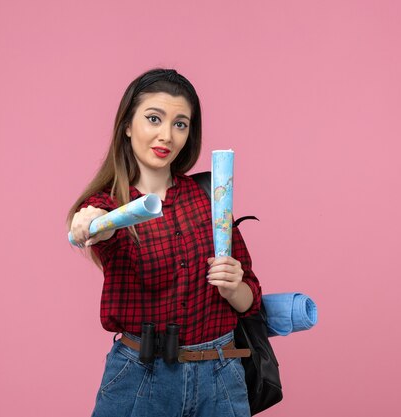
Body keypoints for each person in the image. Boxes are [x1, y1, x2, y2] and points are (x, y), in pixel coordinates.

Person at [66, 68, 262, 417]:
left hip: (221, 376)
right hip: (141, 379)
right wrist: (88, 220)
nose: (166, 135)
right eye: (153, 118)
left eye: (180, 124)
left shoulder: (211, 199)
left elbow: (250, 299)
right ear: (127, 125)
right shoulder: (112, 206)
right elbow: (99, 226)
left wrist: (234, 287)